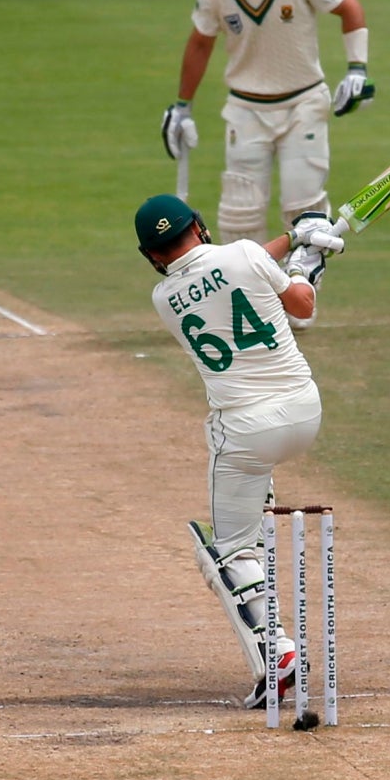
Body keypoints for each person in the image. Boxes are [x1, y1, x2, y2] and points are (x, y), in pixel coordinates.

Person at [137, 193, 345, 706]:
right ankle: (275, 656)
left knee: (226, 552)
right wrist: (305, 263)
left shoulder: (163, 298)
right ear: (200, 228)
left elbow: (234, 265)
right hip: (304, 410)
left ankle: (277, 655)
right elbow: (303, 307)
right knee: (244, 522)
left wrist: (297, 244)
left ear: (154, 256)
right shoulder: (247, 254)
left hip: (246, 433)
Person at [161, 0, 371, 251]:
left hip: (303, 104)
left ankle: (303, 304)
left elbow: (349, 7)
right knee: (238, 218)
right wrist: (182, 105)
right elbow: (200, 44)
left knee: (305, 214)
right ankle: (256, 300)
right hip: (246, 109)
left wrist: (357, 70)